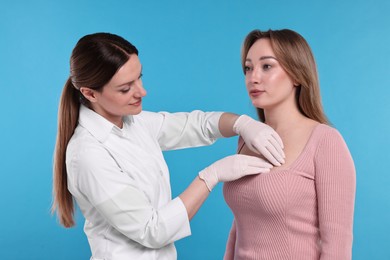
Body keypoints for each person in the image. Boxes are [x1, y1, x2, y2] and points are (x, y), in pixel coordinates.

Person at [51, 32, 286, 260]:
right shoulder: (87, 154)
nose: (142, 92)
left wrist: (241, 123)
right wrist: (210, 176)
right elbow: (151, 230)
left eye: (139, 77)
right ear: (90, 93)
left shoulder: (135, 122)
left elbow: (196, 125)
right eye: (125, 88)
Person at [223, 29, 356, 260]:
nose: (253, 77)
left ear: (296, 74)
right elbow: (241, 225)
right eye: (248, 68)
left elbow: (337, 246)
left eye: (267, 66)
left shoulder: (325, 141)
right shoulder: (248, 138)